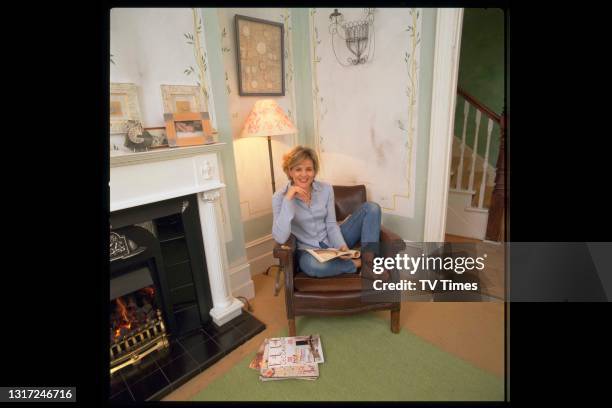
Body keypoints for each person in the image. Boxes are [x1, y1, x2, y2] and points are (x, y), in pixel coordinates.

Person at [272, 145, 383, 278]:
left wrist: (341, 246)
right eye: (298, 169)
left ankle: (370, 263)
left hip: (333, 239)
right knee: (312, 266)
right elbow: (280, 237)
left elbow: (331, 224)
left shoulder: (326, 189)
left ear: (314, 171)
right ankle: (360, 264)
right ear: (290, 171)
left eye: (309, 169)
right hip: (308, 251)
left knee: (372, 208)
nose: (304, 174)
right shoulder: (280, 197)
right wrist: (288, 199)